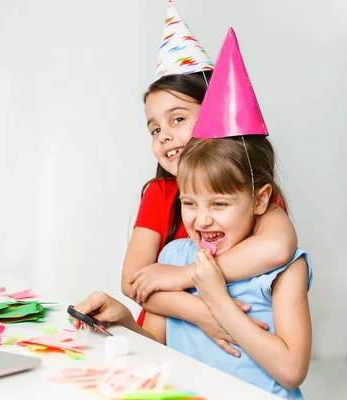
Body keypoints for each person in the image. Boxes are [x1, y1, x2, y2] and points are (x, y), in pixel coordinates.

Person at [72, 28, 312, 399]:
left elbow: (279, 249)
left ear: (259, 200)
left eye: (219, 203)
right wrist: (122, 317)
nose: (201, 219)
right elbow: (148, 311)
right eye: (188, 202)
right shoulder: (170, 243)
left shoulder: (278, 256)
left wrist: (201, 285)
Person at [122, 1, 297, 355]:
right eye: (154, 128)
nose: (164, 135)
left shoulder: (248, 189)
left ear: (214, 114)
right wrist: (203, 312)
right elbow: (133, 281)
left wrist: (183, 277)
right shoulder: (159, 193)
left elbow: (278, 248)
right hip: (166, 341)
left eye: (177, 119)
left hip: (238, 344)